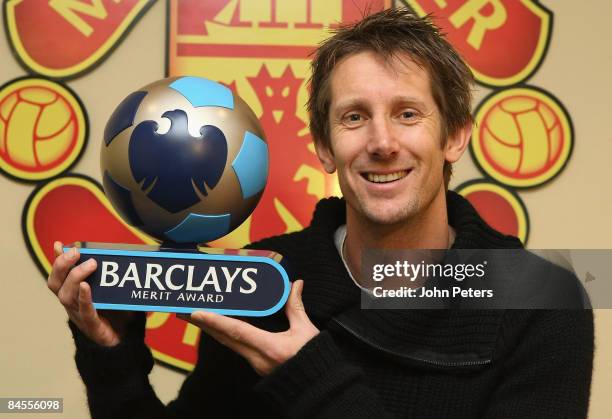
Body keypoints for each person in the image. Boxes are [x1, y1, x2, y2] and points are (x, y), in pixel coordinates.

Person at [48, 8, 594, 418]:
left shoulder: (543, 303)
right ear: (324, 147)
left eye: (407, 113)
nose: (382, 142)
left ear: (454, 136)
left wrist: (311, 376)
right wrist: (111, 356)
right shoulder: (267, 282)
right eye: (355, 117)